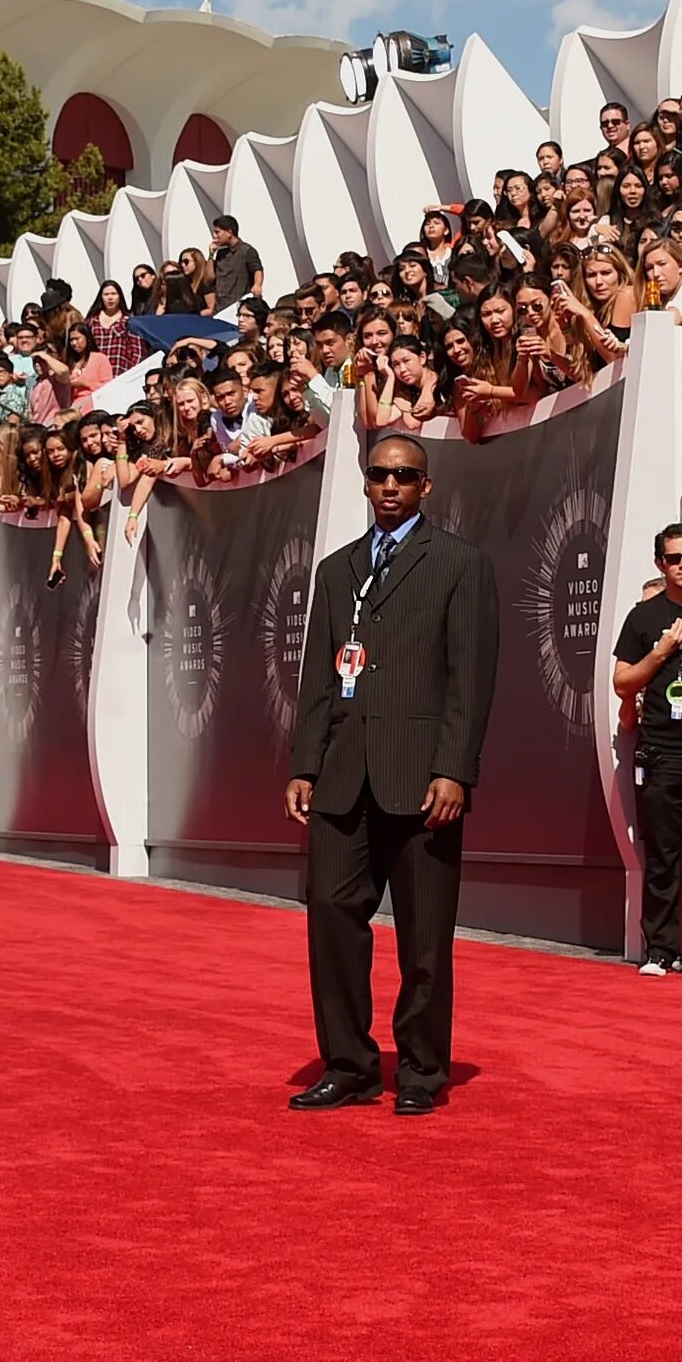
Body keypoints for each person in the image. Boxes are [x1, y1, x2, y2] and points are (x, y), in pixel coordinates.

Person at [283, 434, 500, 1116]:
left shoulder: (461, 565)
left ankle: (421, 1071)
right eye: (379, 475)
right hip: (343, 780)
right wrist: (305, 765)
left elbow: (472, 678)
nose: (390, 486)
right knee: (331, 921)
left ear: (425, 487)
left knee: (424, 935)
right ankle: (347, 1065)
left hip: (423, 780)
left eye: (404, 477)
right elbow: (320, 676)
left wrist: (454, 770)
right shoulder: (338, 570)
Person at [613, 524, 682, 978]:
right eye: (674, 557)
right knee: (663, 853)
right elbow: (622, 682)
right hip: (663, 748)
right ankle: (660, 948)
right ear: (660, 562)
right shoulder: (642, 617)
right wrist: (661, 652)